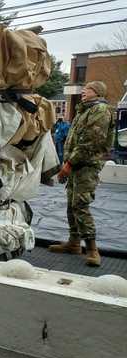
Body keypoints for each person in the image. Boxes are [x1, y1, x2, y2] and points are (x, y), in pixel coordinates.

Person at [49, 81, 116, 267]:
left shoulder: (100, 111)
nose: (84, 91)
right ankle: (74, 243)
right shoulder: (84, 110)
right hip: (76, 165)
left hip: (86, 166)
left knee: (80, 205)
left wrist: (69, 164)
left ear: (98, 92)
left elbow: (90, 142)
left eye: (88, 89)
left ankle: (93, 249)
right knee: (72, 204)